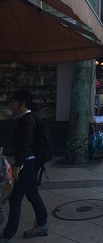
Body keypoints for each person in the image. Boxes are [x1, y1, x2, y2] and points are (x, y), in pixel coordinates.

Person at [0, 90, 49, 243]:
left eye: (13, 101)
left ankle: (8, 235)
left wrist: (18, 165)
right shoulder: (29, 117)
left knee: (15, 199)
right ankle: (42, 224)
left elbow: (25, 145)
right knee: (32, 193)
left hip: (27, 163)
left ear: (22, 103)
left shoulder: (27, 120)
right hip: (31, 162)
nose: (11, 104)